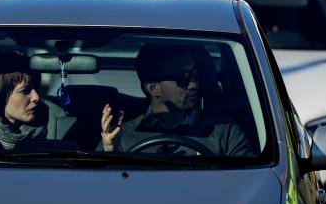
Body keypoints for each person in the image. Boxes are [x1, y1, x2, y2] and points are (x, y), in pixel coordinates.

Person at [99, 43, 253, 156]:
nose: (193, 85)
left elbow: (248, 181)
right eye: (182, 79)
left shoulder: (224, 131)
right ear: (153, 88)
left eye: (195, 75)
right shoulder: (120, 135)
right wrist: (110, 152)